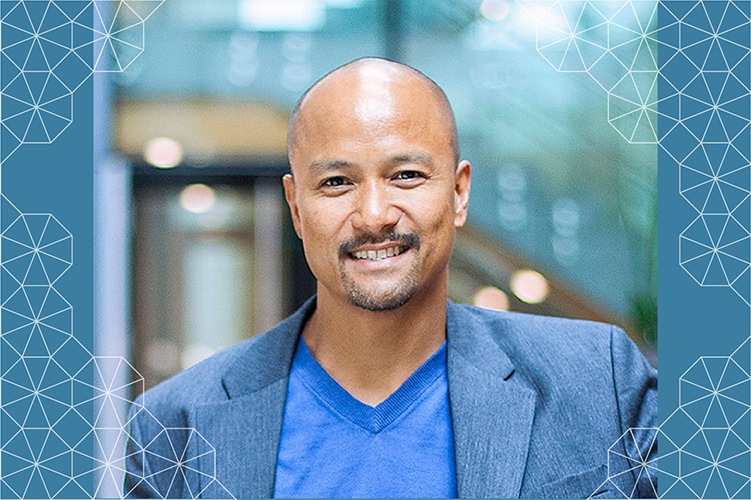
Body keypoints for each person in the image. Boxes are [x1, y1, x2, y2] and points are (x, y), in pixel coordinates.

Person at [124, 58, 657, 499]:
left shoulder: (600, 382)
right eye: (336, 182)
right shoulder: (176, 427)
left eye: (406, 175)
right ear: (295, 207)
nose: (375, 214)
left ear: (458, 192)